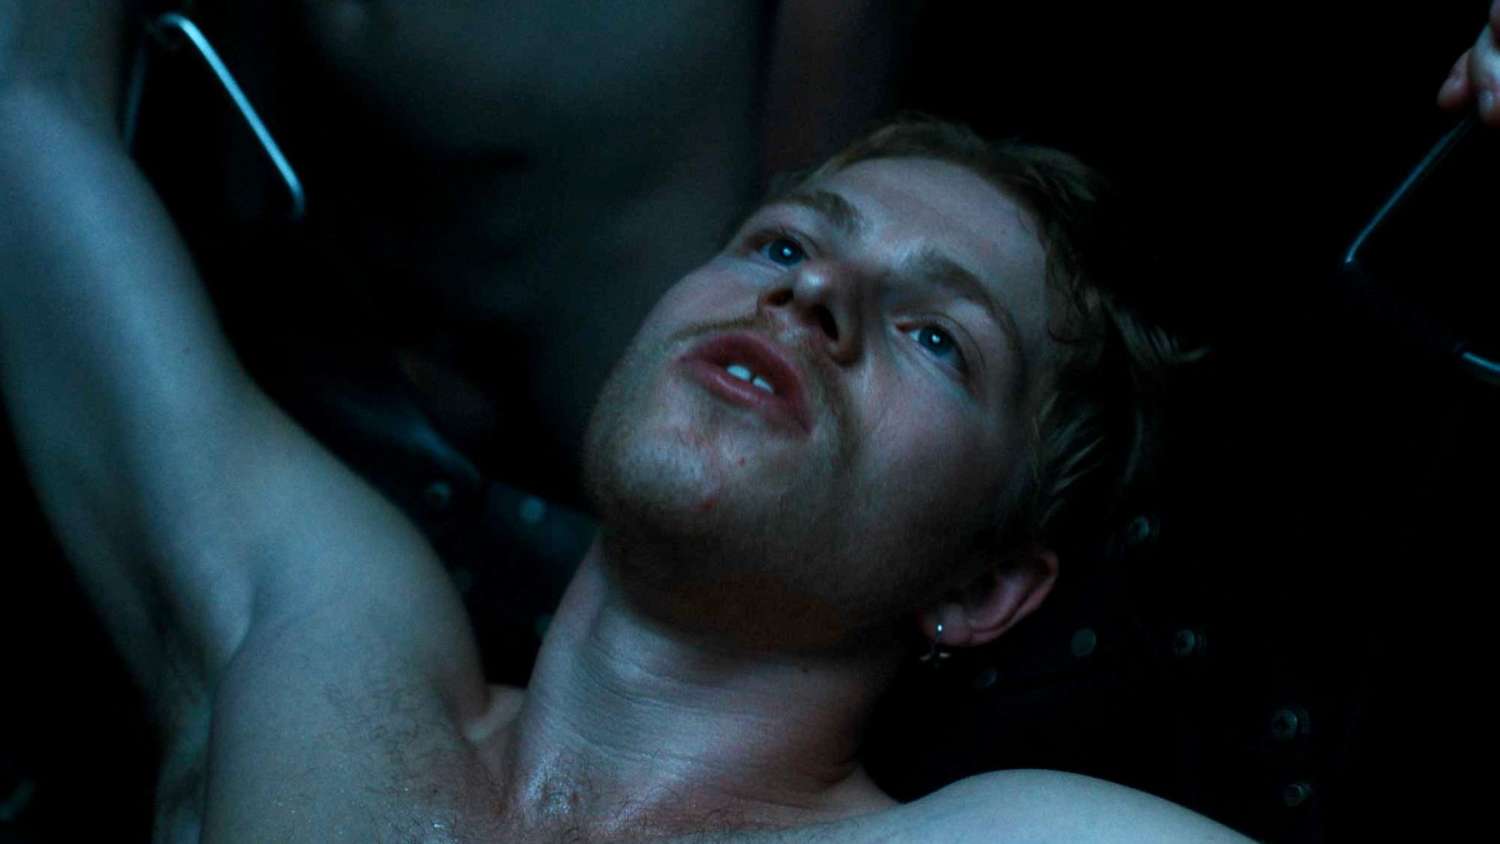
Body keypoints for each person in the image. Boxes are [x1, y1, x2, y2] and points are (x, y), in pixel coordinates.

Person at [4, 3, 1494, 841]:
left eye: (935, 336)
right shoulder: (311, 642)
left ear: (985, 587)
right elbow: (23, 108)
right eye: (782, 243)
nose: (813, 296)